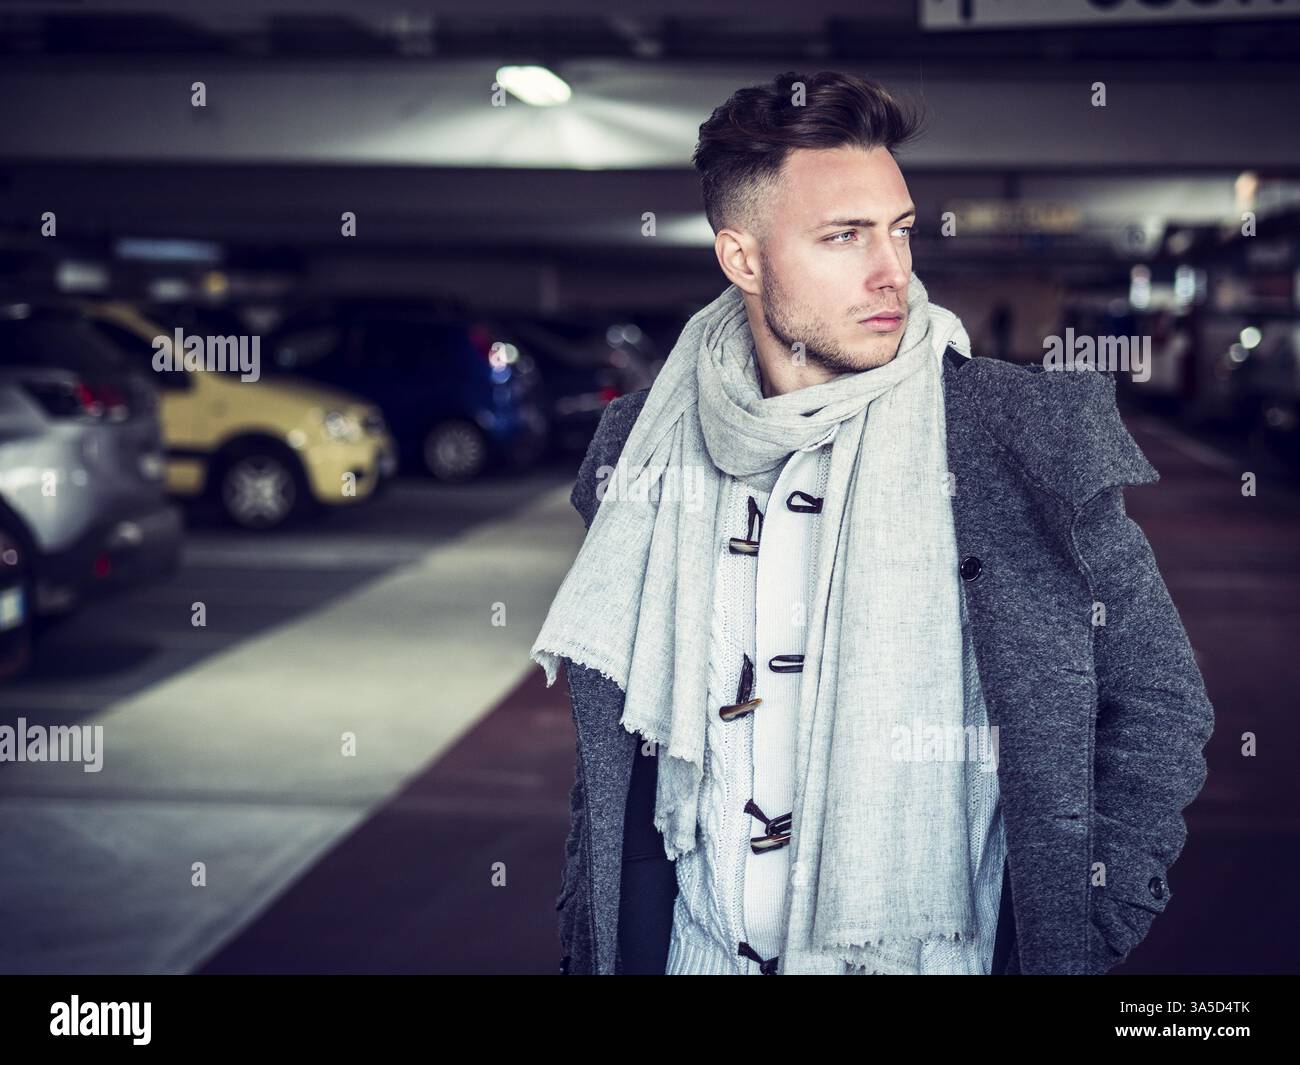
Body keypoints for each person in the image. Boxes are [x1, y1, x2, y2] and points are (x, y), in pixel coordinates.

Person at [531, 70, 1214, 975]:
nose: (892, 271)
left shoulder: (1019, 437)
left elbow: (1161, 703)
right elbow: (617, 756)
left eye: (898, 230)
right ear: (742, 258)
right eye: (844, 237)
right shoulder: (647, 444)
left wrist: (1084, 921)